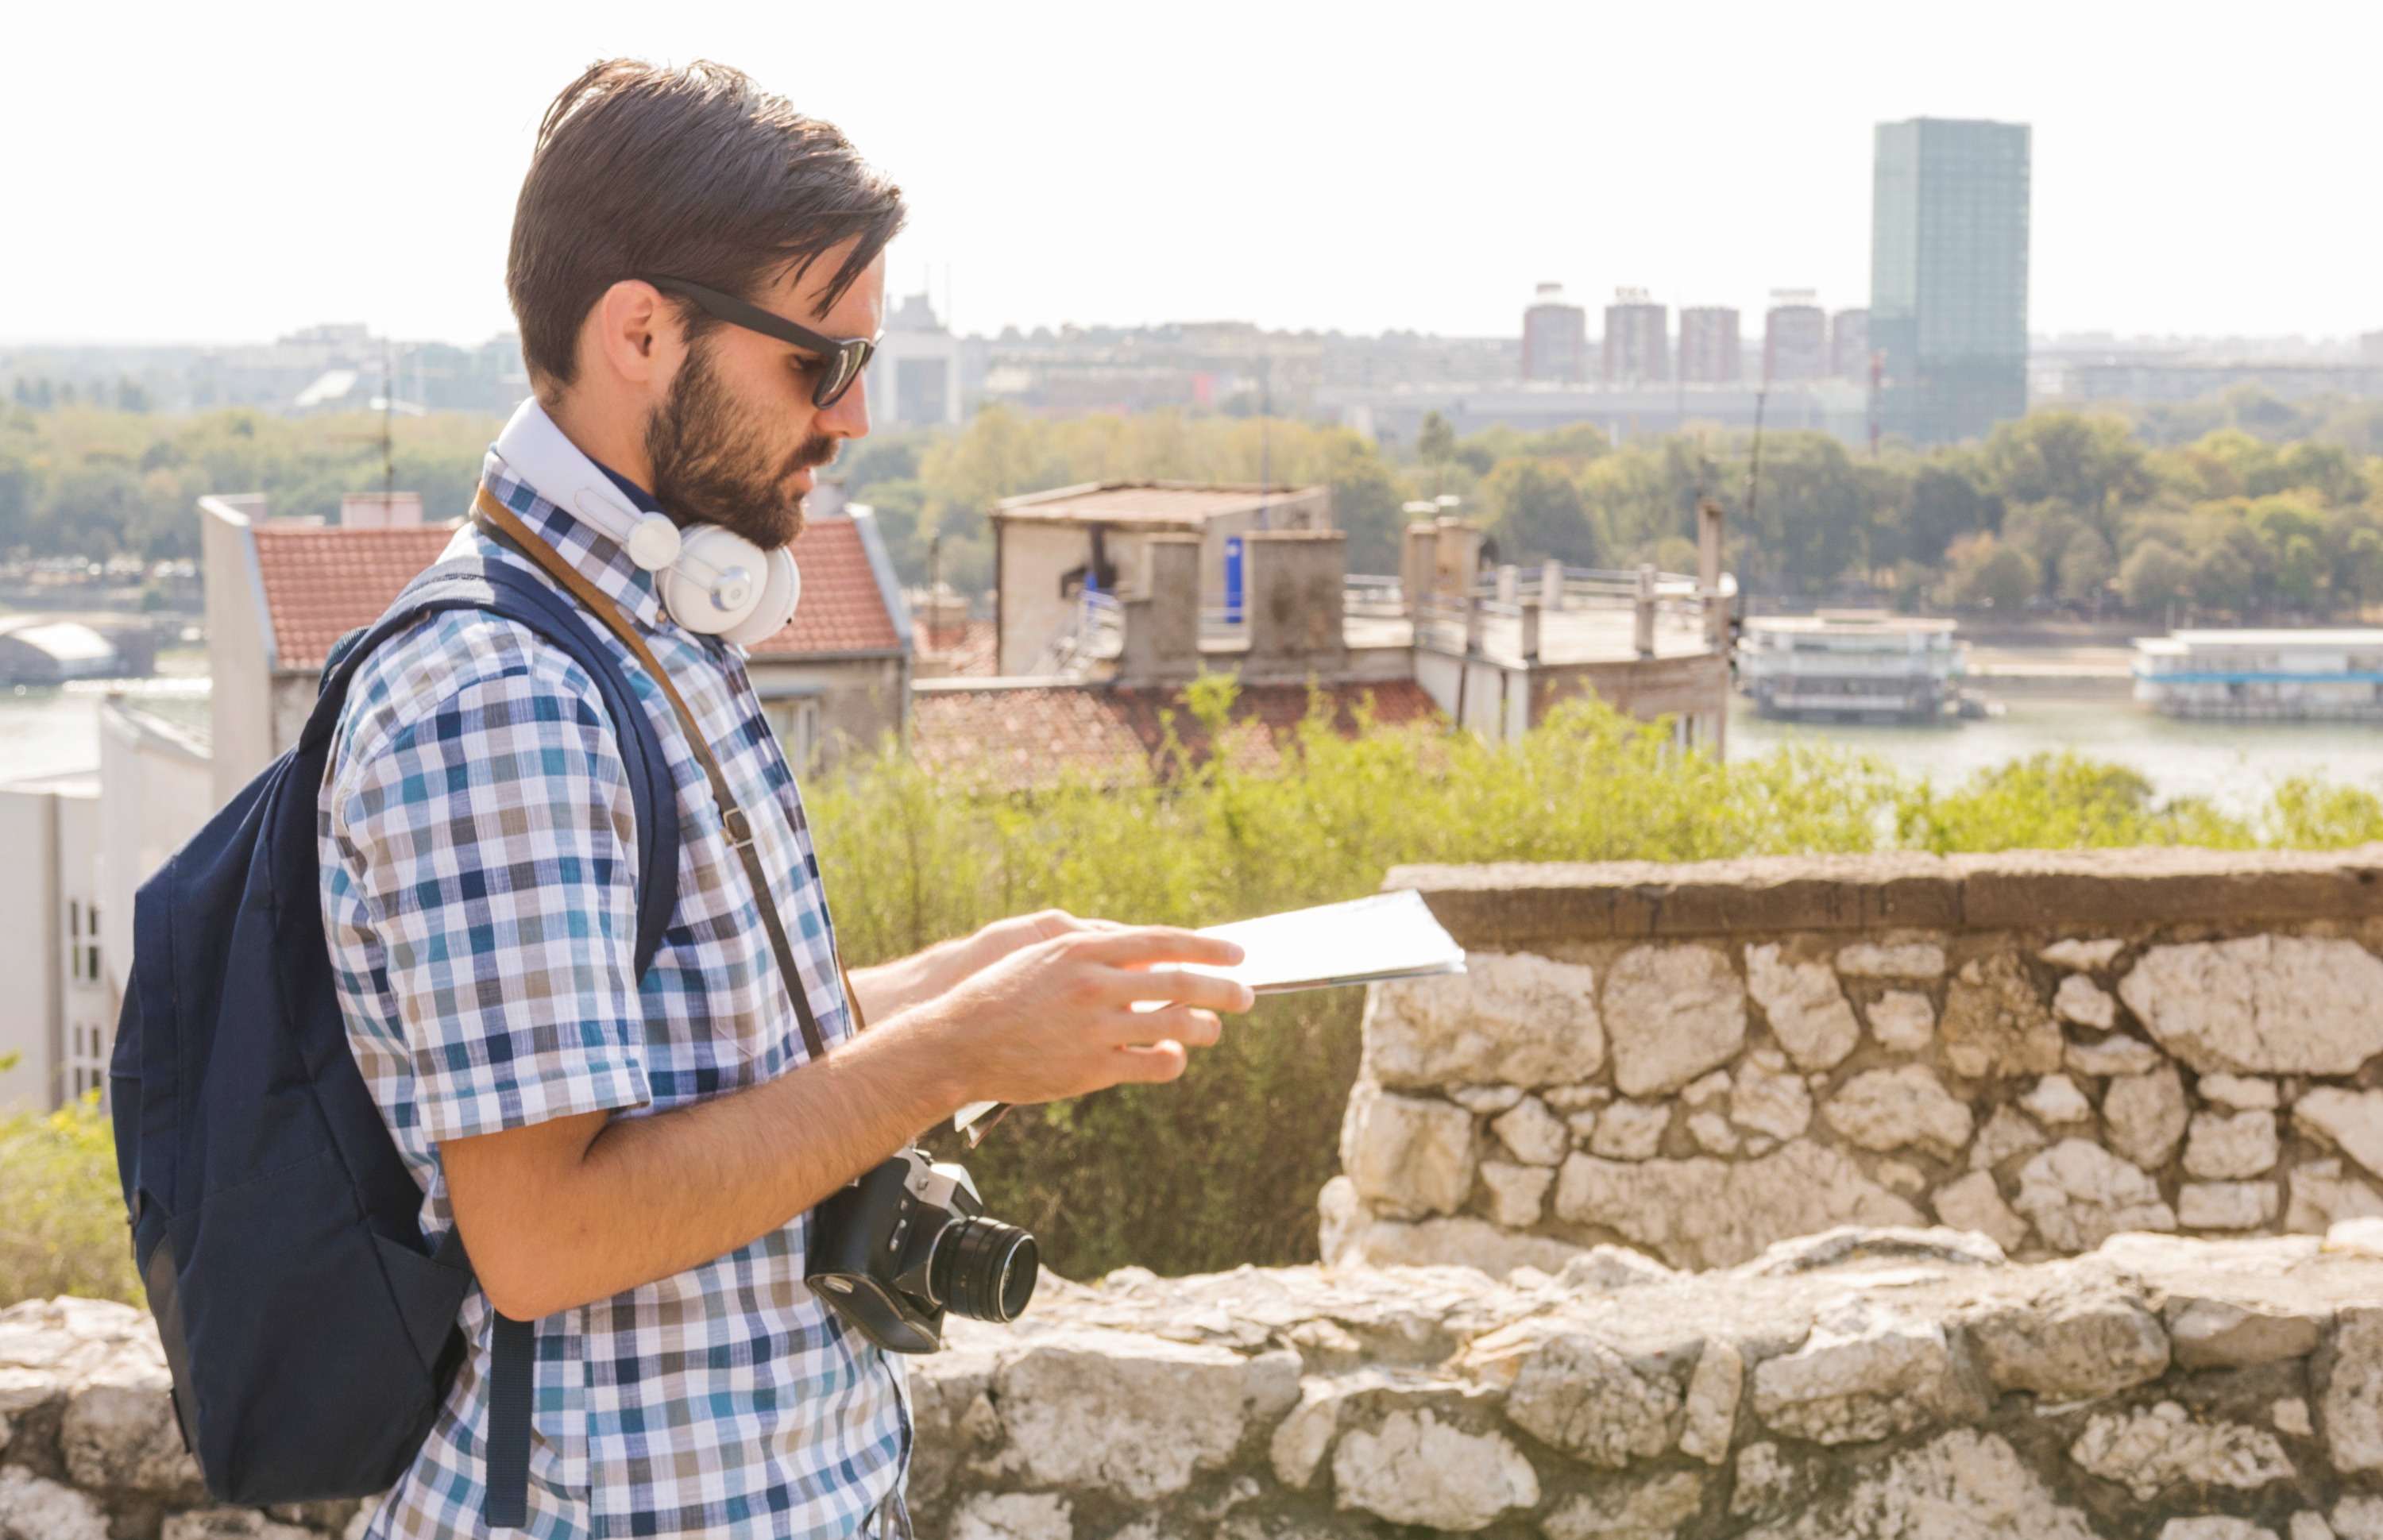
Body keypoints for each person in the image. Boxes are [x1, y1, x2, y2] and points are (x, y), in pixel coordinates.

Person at [319, 58, 1252, 1540]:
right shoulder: (504, 698)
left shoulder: (650, 623)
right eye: (819, 363)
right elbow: (548, 1231)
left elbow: (691, 1069)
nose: (855, 417)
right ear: (642, 329)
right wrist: (953, 1053)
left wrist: (949, 992)